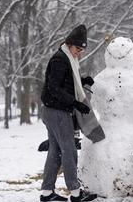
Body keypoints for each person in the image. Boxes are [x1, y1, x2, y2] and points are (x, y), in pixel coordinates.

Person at [40, 24, 98, 202]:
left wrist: (82, 80)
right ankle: (75, 193)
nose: (79, 53)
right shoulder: (60, 59)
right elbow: (54, 87)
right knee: (69, 150)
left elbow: (66, 80)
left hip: (53, 110)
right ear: (69, 44)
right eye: (77, 49)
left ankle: (46, 193)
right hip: (57, 111)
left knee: (56, 151)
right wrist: (75, 104)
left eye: (81, 50)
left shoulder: (66, 58)